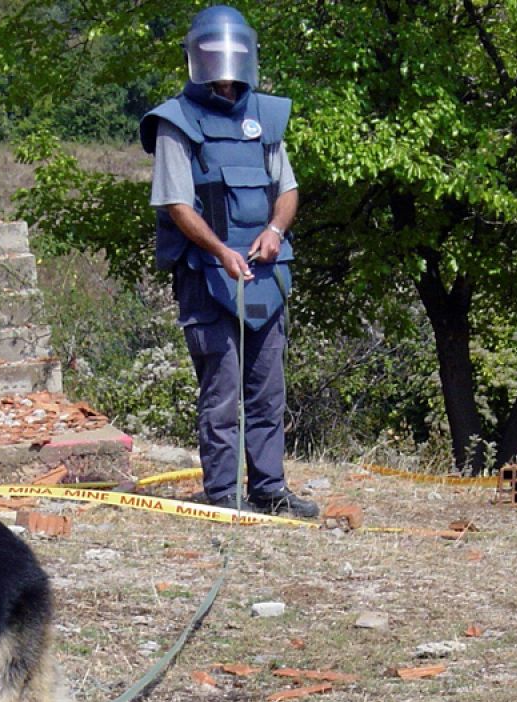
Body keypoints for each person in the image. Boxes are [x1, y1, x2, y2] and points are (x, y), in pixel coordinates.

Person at [140, 5, 319, 519]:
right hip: (207, 277)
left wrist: (274, 230)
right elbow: (175, 204)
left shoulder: (263, 115)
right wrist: (220, 250)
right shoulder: (175, 122)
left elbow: (286, 189)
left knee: (267, 392)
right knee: (221, 394)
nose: (225, 64)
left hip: (266, 274)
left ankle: (270, 489)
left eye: (233, 52)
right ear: (198, 56)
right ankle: (224, 496)